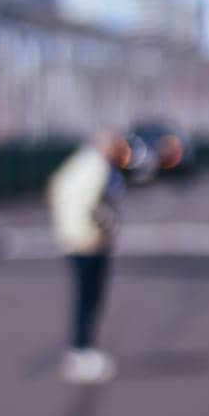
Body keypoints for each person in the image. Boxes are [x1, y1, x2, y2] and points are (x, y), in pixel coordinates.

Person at [46, 129, 127, 385]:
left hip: (72, 236)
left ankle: (80, 349)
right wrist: (106, 225)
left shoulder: (79, 163)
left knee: (85, 296)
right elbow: (95, 205)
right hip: (89, 240)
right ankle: (82, 349)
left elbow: (56, 187)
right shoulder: (98, 168)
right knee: (89, 296)